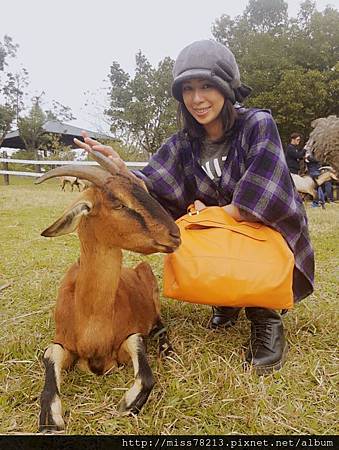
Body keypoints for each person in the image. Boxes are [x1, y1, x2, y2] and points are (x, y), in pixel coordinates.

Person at [76, 40, 314, 375]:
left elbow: (261, 199)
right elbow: (155, 189)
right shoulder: (182, 143)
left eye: (206, 86)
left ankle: (266, 317)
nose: (197, 99)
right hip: (220, 231)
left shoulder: (257, 124)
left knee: (225, 226)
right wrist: (122, 170)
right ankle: (228, 299)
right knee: (181, 227)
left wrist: (207, 213)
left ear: (227, 88)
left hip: (263, 229)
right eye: (188, 89)